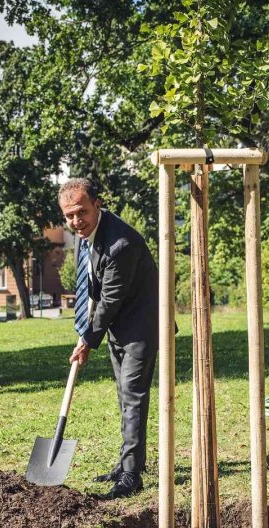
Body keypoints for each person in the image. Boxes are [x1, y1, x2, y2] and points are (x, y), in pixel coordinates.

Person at [59, 178, 158, 498]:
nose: (76, 221)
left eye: (81, 212)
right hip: (117, 327)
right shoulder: (86, 236)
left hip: (140, 327)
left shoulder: (120, 243)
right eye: (69, 216)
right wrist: (85, 332)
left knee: (132, 397)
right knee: (124, 396)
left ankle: (131, 475)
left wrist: (88, 338)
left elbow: (110, 300)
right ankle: (128, 461)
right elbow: (90, 290)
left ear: (97, 204)